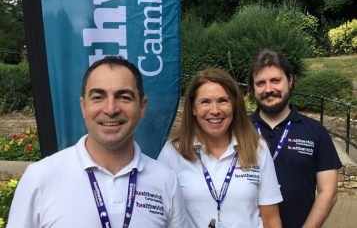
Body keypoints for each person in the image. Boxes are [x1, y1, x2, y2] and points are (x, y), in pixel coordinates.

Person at [7, 56, 188, 228]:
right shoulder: (40, 178)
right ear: (83, 107)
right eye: (98, 97)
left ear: (142, 107)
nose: (111, 109)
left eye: (124, 97)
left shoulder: (166, 181)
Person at [158, 68, 283, 228]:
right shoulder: (173, 151)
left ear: (235, 106)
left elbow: (271, 219)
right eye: (205, 102)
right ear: (193, 109)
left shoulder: (257, 148)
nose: (215, 110)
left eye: (223, 100)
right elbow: (158, 216)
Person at [248, 49, 342, 228]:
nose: (269, 89)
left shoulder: (315, 132)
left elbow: (328, 193)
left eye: (276, 80)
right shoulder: (239, 131)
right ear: (253, 88)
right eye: (260, 83)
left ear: (290, 81)